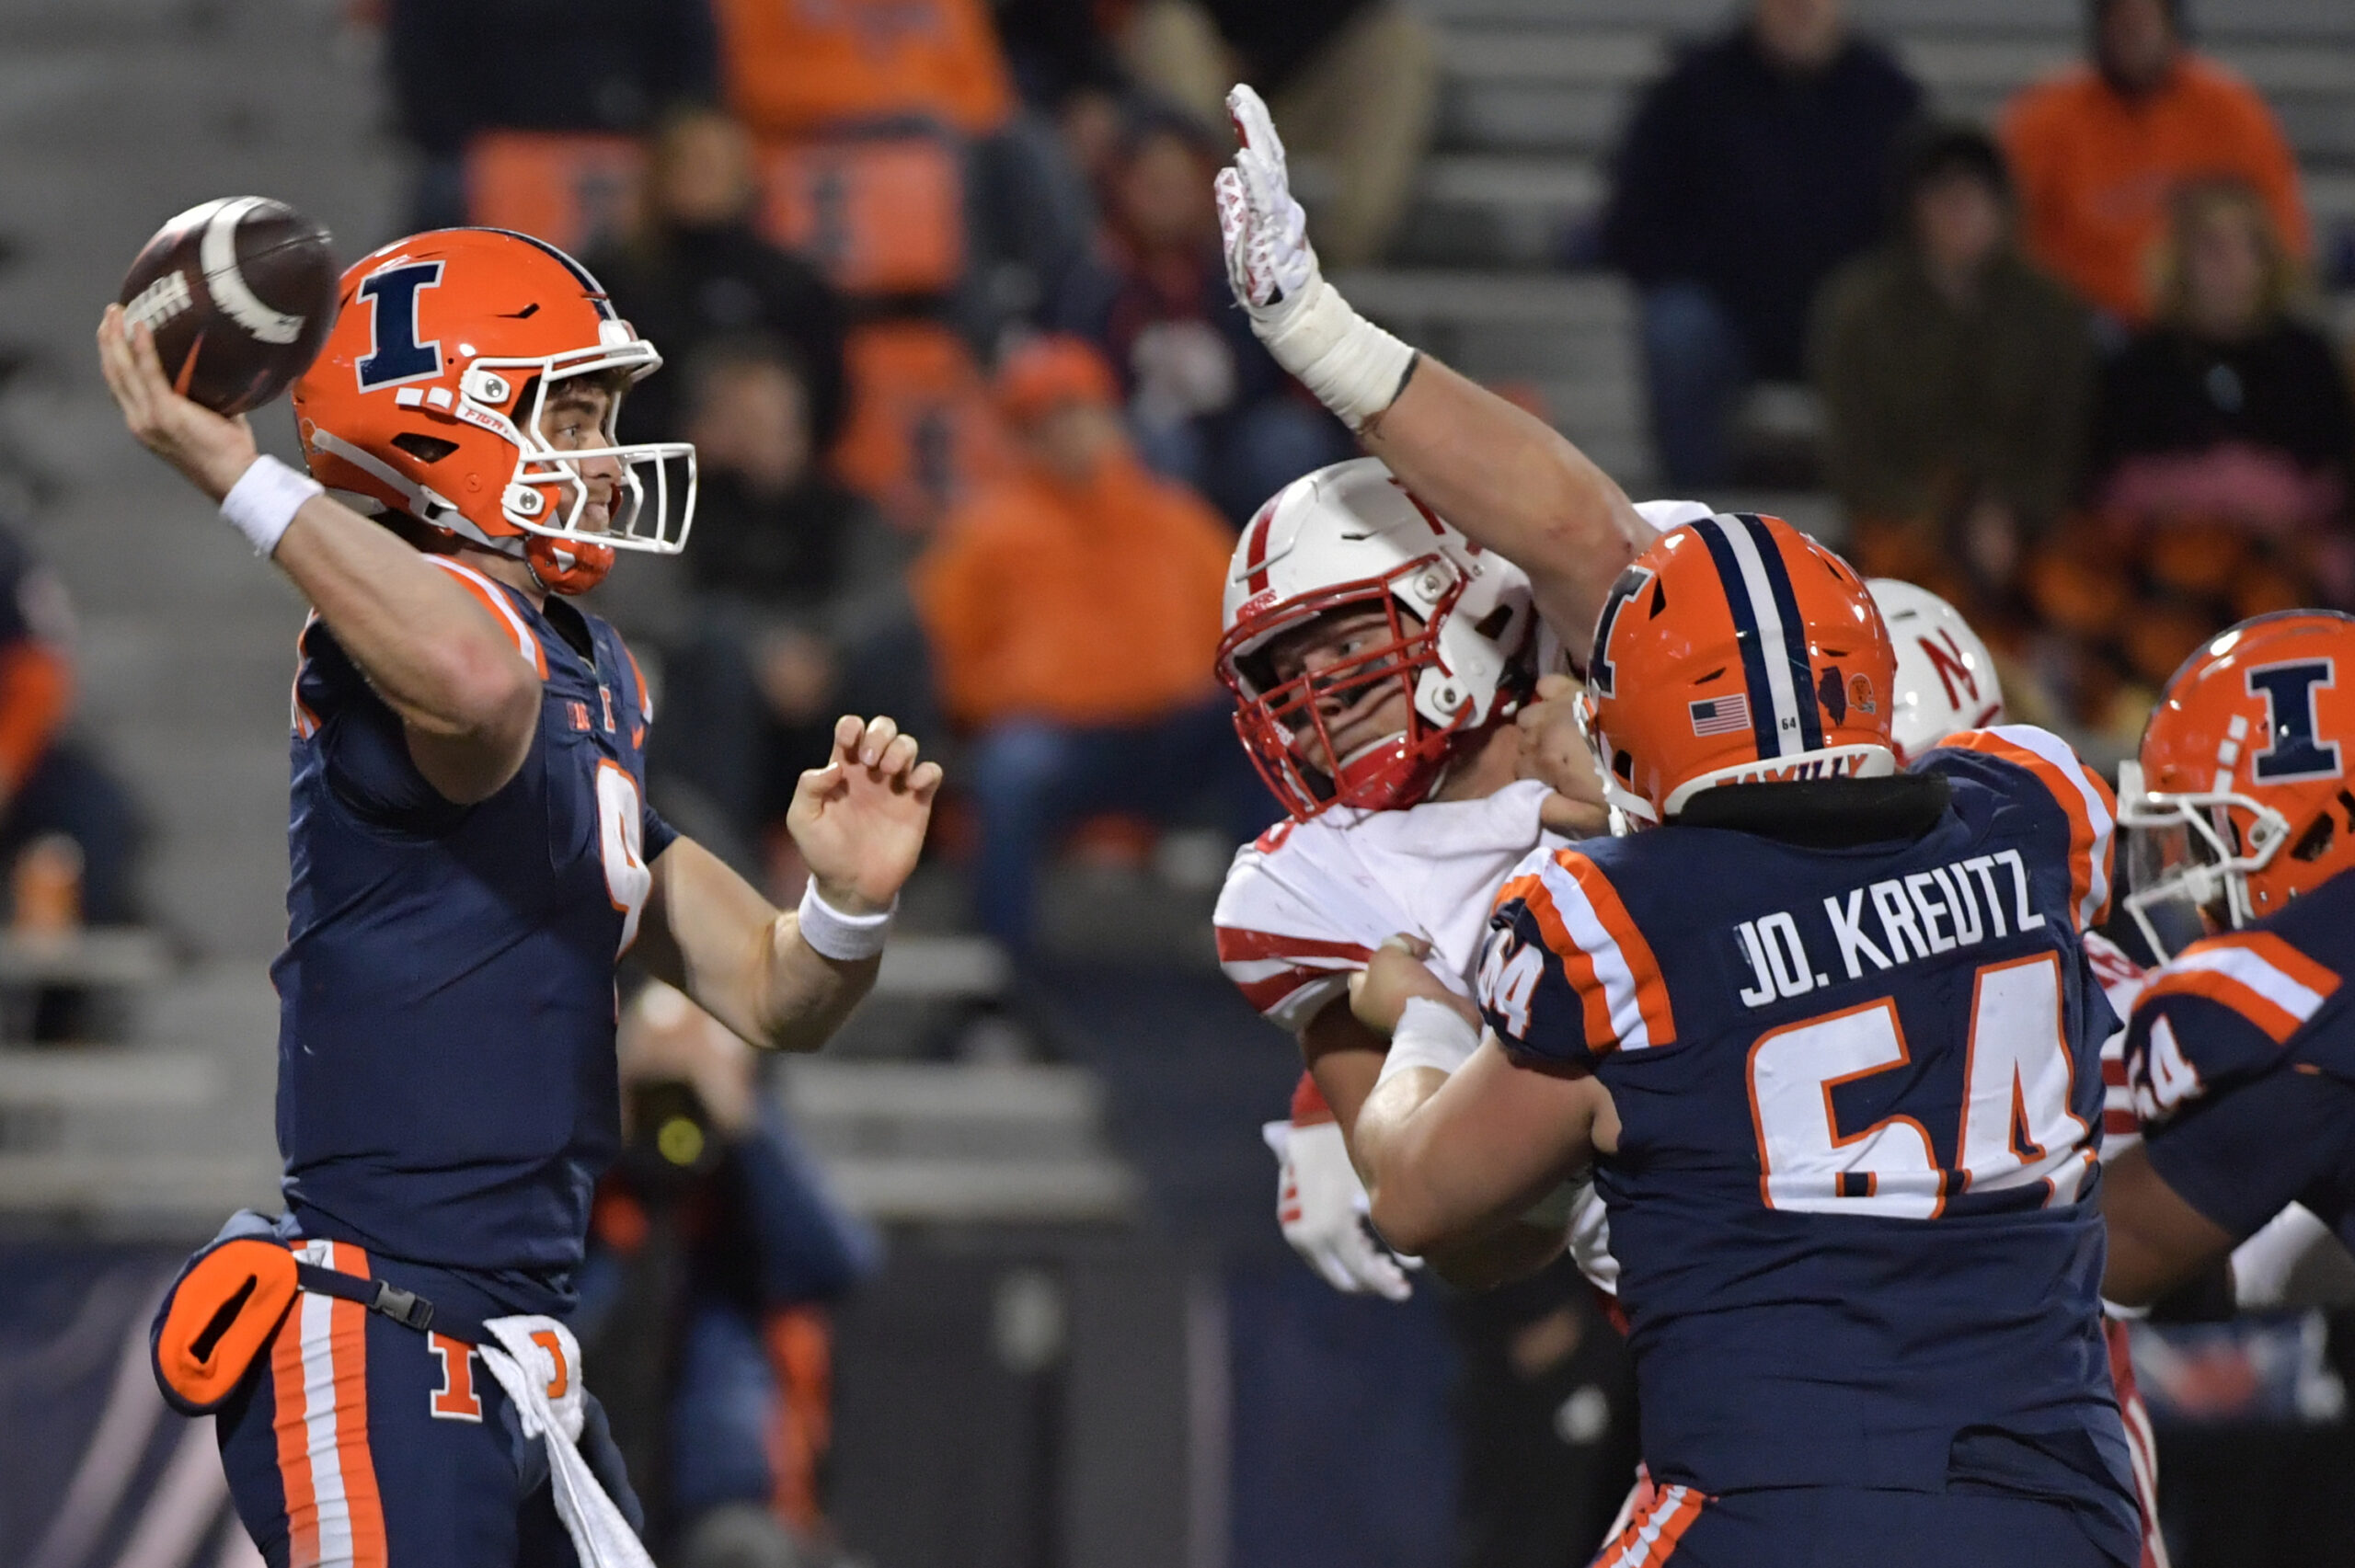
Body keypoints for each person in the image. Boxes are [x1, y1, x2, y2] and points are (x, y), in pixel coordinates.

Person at [1215, 97, 2140, 1565]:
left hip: (1788, 1421)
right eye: (1285, 681)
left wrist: (1420, 1038)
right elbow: (1484, 1229)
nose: (1322, 709)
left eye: (1344, 654)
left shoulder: (1603, 880)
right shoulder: (2026, 799)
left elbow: (1427, 1180)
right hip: (1999, 1390)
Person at [107, 226, 938, 1566]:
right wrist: (237, 475)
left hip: (515, 1354)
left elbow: (778, 996)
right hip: (379, 1334)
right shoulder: (416, 650)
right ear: (442, 423)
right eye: (577, 412)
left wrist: (847, 905)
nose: (608, 459)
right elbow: (475, 684)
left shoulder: (587, 667)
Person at [1342, 515, 2138, 1566]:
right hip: (2061, 1503)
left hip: (1781, 1501)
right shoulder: (2031, 804)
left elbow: (1413, 1195)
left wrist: (1429, 1014)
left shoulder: (1622, 922)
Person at [913, 334, 1258, 956]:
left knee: (1265, 729)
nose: (1069, 433)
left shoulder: (1178, 520)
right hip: (1061, 743)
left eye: (1081, 412)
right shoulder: (984, 534)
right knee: (1011, 768)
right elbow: (939, 660)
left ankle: (1276, 942)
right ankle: (1004, 979)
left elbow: (1250, 638)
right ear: (1019, 436)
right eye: (1044, 420)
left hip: (1172, 735)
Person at [580, 981, 879, 1568]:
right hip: (594, 1497)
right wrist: (607, 1121)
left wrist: (740, 1117)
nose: (676, 1118)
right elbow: (568, 1320)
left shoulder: (749, 1212)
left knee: (741, 1551)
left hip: (729, 1510)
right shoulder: (606, 1203)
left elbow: (841, 1260)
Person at [623, 338, 930, 873]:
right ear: (706, 425)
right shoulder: (669, 505)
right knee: (714, 649)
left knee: (896, 645)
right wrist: (758, 648)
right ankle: (720, 869)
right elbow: (648, 607)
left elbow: (885, 598)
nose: (772, 436)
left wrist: (821, 648)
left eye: (781, 420)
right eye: (748, 420)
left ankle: (881, 856)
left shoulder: (842, 507)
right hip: (715, 717)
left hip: (827, 698)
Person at [1600, 0, 1921, 487]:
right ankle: (1694, 516)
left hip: (1852, 317)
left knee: (1909, 322)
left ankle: (1888, 514)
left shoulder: (1888, 97)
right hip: (1729, 314)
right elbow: (1636, 219)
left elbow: (1920, 233)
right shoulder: (1693, 89)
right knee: (1678, 329)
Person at [1812, 125, 2095, 611]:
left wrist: (2009, 508)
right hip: (1902, 518)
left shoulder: (2050, 310)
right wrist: (1945, 517)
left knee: (2079, 595)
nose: (1959, 213)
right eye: (1942, 196)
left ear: (2003, 208)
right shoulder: (1858, 309)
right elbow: (1851, 449)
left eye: (1973, 196)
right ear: (1912, 209)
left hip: (2026, 522)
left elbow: (2068, 439)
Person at [1053, 107, 1352, 524]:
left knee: (1288, 439)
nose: (1166, 200)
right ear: (1120, 188)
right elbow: (1073, 372)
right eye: (1152, 185)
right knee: (1160, 444)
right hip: (1140, 437)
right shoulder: (1093, 278)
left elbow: (1290, 370)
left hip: (1236, 439)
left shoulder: (1245, 273)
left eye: (1180, 185)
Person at [2085, 178, 2352, 559]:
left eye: (2250, 247)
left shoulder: (2306, 357)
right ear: (2179, 260)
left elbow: (2334, 474)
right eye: (2214, 249)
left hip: (2290, 556)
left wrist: (2268, 496)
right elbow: (2106, 481)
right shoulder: (2141, 363)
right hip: (2166, 563)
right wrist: (2199, 492)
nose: (2234, 265)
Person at [2002, 0, 2309, 326]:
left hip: (2213, 324)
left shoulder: (2232, 112)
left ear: (2172, 25)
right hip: (2087, 330)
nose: (2135, 35)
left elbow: (2284, 234)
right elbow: (2009, 244)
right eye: (2123, 22)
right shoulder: (2043, 119)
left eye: (2146, 20)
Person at [583, 108, 848, 452]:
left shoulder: (791, 284)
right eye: (687, 162)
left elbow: (828, 398)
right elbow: (591, 396)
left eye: (713, 164)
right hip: (653, 471)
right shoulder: (611, 282)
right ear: (658, 173)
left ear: (745, 175)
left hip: (776, 480)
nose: (699, 177)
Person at [384, 0, 722, 232]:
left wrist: (671, 137)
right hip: (490, 144)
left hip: (641, 143)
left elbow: (693, 59)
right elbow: (421, 59)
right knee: (441, 202)